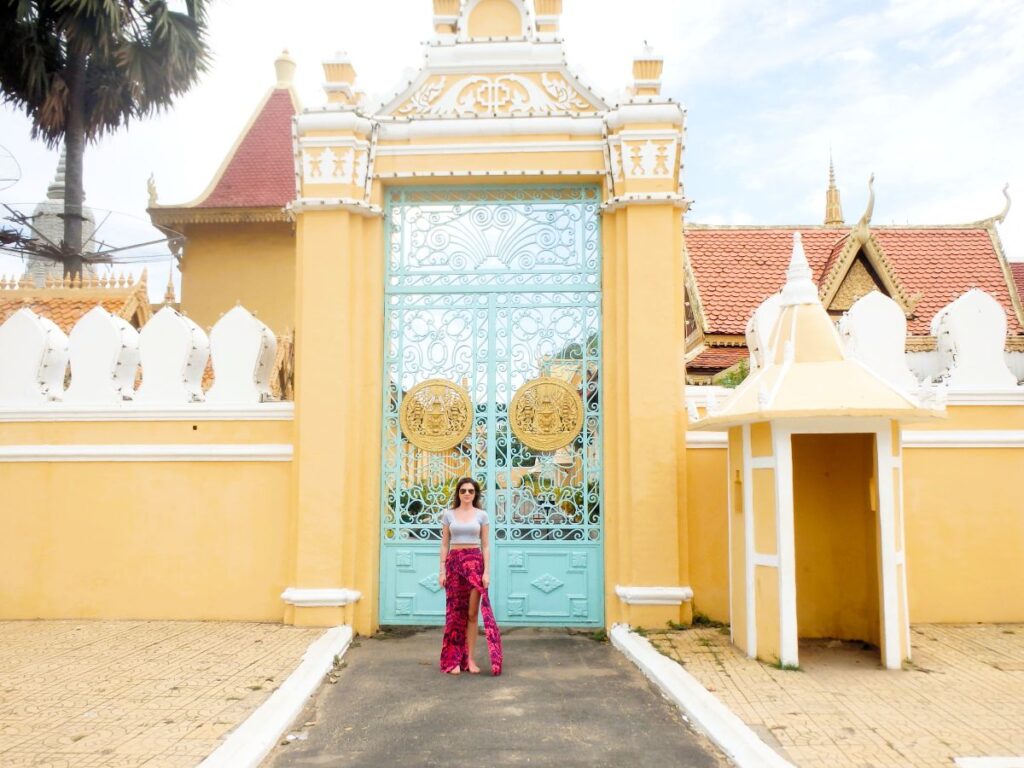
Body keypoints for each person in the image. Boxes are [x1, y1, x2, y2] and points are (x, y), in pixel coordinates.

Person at [439, 477, 503, 675]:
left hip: (475, 564)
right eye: (463, 491)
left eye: (471, 491)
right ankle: (453, 659)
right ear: (458, 493)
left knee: (472, 614)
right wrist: (442, 570)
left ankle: (470, 659)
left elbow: (485, 545)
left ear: (475, 494)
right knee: (455, 614)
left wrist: (487, 572)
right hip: (455, 563)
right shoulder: (448, 515)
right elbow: (444, 544)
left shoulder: (482, 515)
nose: (467, 494)